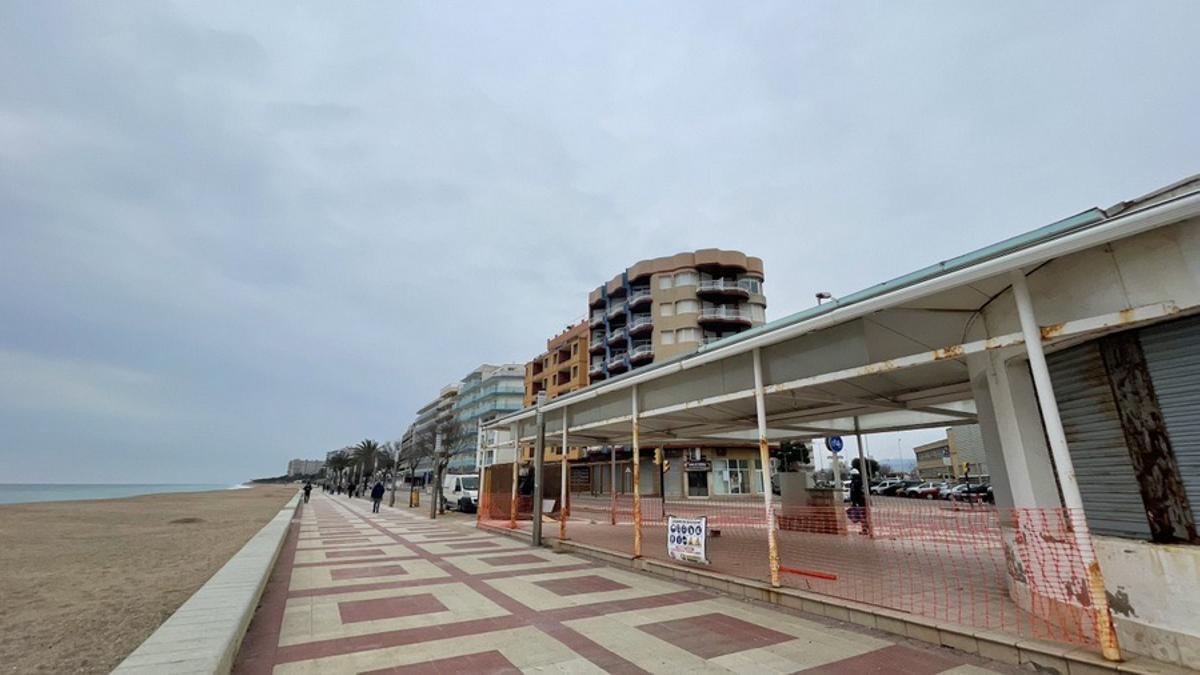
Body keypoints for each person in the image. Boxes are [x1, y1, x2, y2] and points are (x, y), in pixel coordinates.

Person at [847, 468, 869, 534]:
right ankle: (866, 528)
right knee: (863, 515)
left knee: (862, 516)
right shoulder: (860, 481)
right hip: (861, 501)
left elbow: (855, 493)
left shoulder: (855, 483)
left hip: (859, 502)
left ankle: (865, 529)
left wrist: (854, 502)